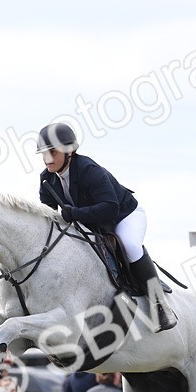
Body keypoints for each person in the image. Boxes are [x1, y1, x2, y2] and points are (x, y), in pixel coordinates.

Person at [36, 121, 176, 332]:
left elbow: (110, 208)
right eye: (44, 154)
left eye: (52, 152)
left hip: (124, 216)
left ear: (69, 151)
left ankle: (160, 305)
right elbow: (49, 215)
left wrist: (75, 214)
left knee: (130, 245)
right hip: (92, 222)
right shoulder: (47, 179)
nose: (47, 159)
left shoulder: (88, 170)